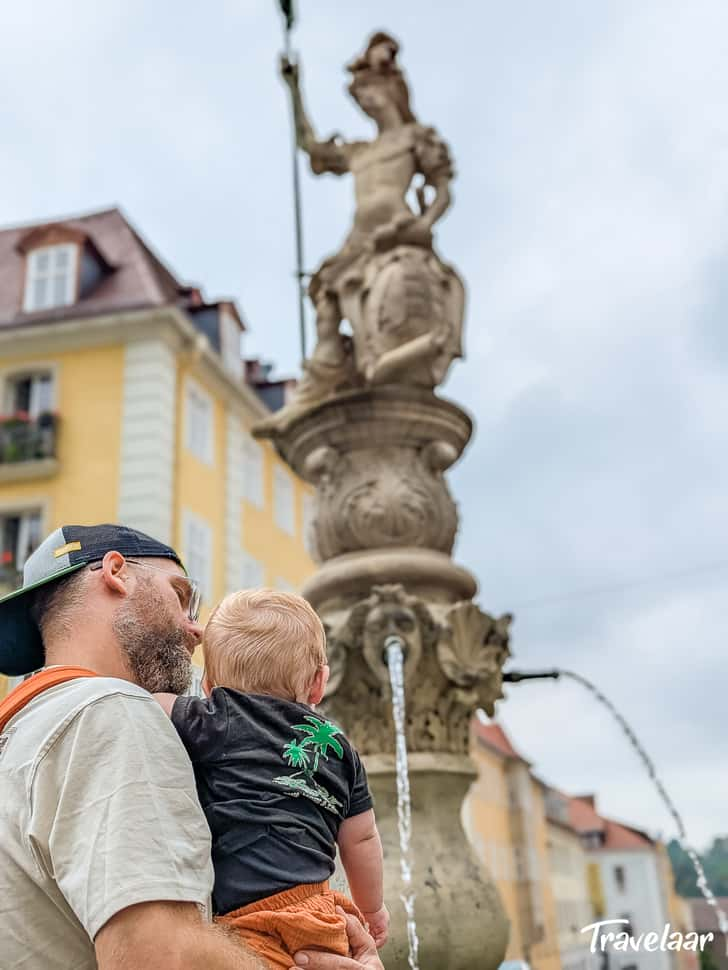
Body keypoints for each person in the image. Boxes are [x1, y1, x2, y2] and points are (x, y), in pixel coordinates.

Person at [0, 523, 385, 970]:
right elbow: (160, 957)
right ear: (116, 572)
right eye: (182, 596)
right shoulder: (115, 711)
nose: (196, 630)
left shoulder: (19, 736)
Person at [153, 589, 389, 969]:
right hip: (317, 910)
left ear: (211, 687)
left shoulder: (221, 718)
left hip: (246, 918)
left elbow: (145, 702)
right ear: (319, 683)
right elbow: (362, 837)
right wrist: (373, 908)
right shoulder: (340, 749)